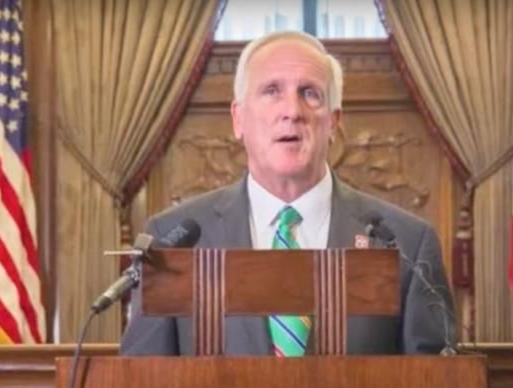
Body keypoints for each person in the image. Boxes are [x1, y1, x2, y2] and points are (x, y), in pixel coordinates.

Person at [120, 30, 455, 356]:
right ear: (238, 119)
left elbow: (436, 384)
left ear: (334, 122)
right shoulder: (172, 242)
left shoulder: (407, 243)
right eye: (271, 91)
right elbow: (143, 382)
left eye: (310, 93)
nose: (292, 111)